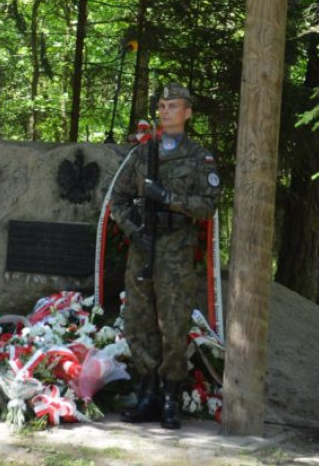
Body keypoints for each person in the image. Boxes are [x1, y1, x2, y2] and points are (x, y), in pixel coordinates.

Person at [110, 82, 221, 428]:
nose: (165, 111)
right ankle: (148, 392)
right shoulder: (144, 153)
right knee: (139, 321)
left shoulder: (199, 157)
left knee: (173, 323)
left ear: (187, 112)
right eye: (161, 105)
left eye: (173, 105)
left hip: (175, 248)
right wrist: (134, 231)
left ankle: (171, 396)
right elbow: (119, 199)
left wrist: (167, 197)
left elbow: (207, 206)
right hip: (144, 246)